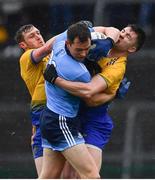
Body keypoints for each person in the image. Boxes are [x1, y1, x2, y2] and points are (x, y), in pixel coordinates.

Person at [44, 24, 146, 177]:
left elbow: (89, 95)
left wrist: (55, 79)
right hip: (73, 115)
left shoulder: (117, 67)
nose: (122, 35)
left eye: (127, 37)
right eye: (123, 32)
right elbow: (108, 29)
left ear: (131, 49)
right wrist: (110, 40)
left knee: (87, 175)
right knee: (64, 176)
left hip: (94, 119)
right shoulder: (103, 40)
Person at [15, 24, 55, 176]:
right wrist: (73, 32)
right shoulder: (27, 56)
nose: (38, 36)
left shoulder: (53, 55)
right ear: (23, 45)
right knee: (47, 175)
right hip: (43, 110)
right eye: (32, 36)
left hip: (61, 109)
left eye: (38, 33)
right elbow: (47, 48)